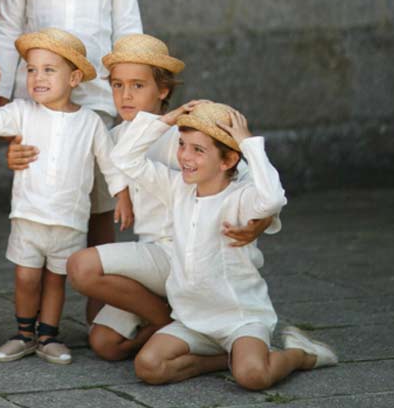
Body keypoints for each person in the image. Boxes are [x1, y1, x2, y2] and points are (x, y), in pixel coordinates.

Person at [0, 0, 141, 320]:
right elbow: (8, 28)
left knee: (97, 205)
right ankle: (36, 319)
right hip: (37, 103)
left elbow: (128, 32)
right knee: (46, 195)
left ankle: (102, 309)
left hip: (97, 101)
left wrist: (131, 99)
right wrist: (5, 102)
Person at [65, 34, 277, 362]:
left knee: (82, 267)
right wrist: (20, 152)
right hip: (151, 260)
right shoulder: (116, 137)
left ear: (163, 90)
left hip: (187, 253)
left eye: (138, 85)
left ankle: (178, 324)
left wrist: (260, 222)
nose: (125, 95)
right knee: (105, 343)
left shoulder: (187, 134)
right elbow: (108, 159)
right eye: (118, 85)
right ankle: (214, 349)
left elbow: (245, 177)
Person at [112, 101, 337, 390]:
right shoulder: (176, 188)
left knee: (253, 377)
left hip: (239, 320)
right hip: (191, 320)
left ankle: (300, 354)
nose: (184, 156)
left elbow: (273, 199)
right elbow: (124, 158)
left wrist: (248, 144)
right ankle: (224, 359)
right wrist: (166, 121)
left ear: (228, 161)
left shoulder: (241, 198)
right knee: (148, 367)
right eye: (182, 144)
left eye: (198, 149)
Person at [0, 28, 133, 365]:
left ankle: (49, 335)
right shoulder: (22, 111)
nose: (37, 77)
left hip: (69, 220)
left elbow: (110, 164)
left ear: (74, 77)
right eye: (31, 69)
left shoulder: (90, 123)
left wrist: (122, 196)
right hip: (28, 216)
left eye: (49, 69)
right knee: (26, 276)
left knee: (56, 280)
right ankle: (24, 333)